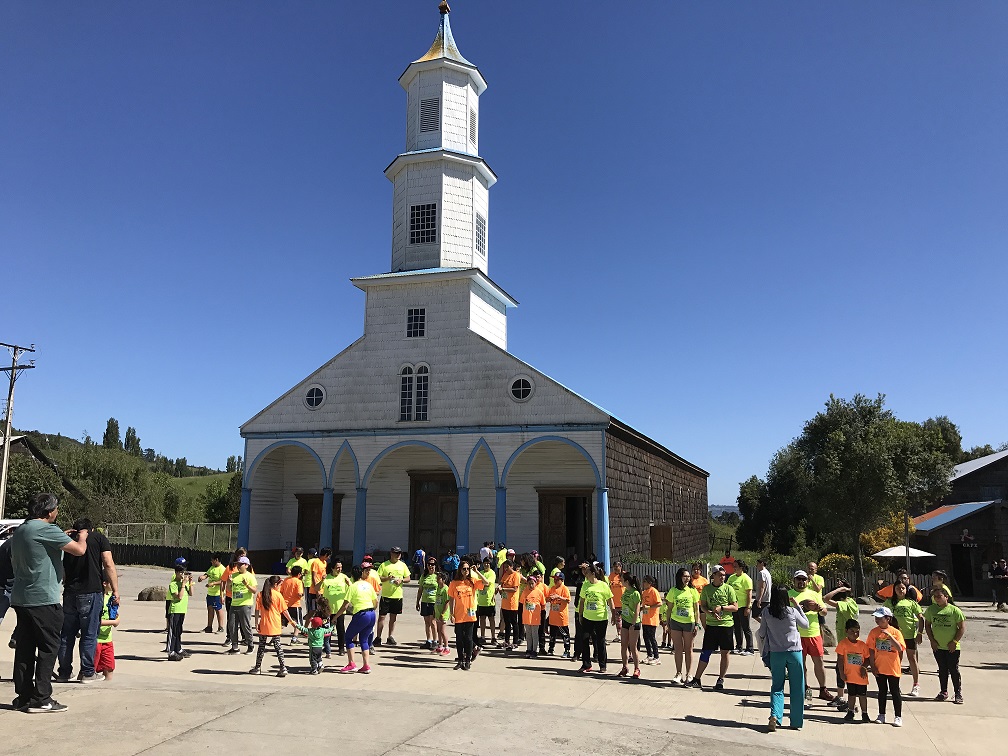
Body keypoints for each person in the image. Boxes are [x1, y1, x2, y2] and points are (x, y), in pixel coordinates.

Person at [57, 517, 117, 684]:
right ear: (91, 530)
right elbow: (108, 563)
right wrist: (116, 590)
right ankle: (87, 672)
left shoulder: (67, 540)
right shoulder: (98, 538)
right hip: (91, 591)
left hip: (70, 592)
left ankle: (64, 672)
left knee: (67, 634)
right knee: (89, 634)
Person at [756, 586, 808, 732]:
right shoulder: (792, 611)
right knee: (797, 687)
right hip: (794, 652)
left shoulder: (767, 612)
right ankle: (796, 720)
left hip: (776, 653)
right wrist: (798, 607)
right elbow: (805, 624)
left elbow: (762, 632)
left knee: (777, 686)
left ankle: (775, 715)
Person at [688, 566, 737, 691]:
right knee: (706, 651)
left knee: (725, 653)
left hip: (726, 625)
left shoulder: (729, 589)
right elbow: (703, 606)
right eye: (720, 575)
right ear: (713, 575)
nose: (722, 577)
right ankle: (697, 679)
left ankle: (721, 679)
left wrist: (722, 608)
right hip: (712, 625)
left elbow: (735, 607)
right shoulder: (707, 589)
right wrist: (709, 612)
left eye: (724, 575)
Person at [788, 570, 832, 703]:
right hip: (796, 635)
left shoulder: (814, 594)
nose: (801, 582)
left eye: (803, 579)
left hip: (813, 633)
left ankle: (823, 689)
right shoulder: (789, 595)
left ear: (807, 581)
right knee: (800, 664)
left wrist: (819, 609)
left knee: (819, 662)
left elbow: (825, 611)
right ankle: (804, 687)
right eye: (798, 579)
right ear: (794, 580)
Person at [334, 565, 379, 674]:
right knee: (364, 639)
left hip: (361, 614)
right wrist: (371, 610)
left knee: (348, 637)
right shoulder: (368, 585)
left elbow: (345, 606)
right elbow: (376, 601)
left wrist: (335, 617)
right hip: (372, 614)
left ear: (352, 576)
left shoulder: (352, 587)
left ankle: (351, 664)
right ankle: (366, 665)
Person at [924, 586, 966, 704]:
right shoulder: (931, 610)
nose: (937, 598)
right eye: (935, 597)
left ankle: (958, 693)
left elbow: (962, 627)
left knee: (953, 669)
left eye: (939, 596)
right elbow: (927, 625)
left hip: (952, 647)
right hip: (938, 646)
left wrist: (954, 642)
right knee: (942, 669)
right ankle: (943, 691)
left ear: (946, 597)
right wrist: (932, 641)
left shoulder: (954, 610)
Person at [823, 580, 860, 710]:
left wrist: (840, 589)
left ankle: (849, 701)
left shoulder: (844, 605)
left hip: (847, 645)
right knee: (841, 671)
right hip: (846, 644)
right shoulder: (852, 602)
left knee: (844, 672)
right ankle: (842, 697)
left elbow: (825, 598)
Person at [868, 606, 906, 726]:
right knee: (882, 691)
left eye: (880, 618)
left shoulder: (896, 632)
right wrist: (872, 665)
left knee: (895, 691)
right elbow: (871, 649)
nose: (877, 620)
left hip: (893, 667)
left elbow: (900, 648)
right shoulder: (874, 632)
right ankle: (881, 714)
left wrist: (890, 636)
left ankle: (898, 716)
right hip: (880, 666)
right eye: (876, 618)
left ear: (888, 619)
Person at [884, 580, 924, 697]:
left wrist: (920, 633)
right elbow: (883, 617)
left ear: (906, 590)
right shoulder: (889, 602)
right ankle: (895, 685)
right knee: (896, 659)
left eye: (903, 588)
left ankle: (916, 685)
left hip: (909, 635)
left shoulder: (911, 603)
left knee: (912, 658)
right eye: (898, 588)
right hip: (895, 636)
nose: (900, 590)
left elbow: (921, 618)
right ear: (894, 590)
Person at [250, 575, 292, 677]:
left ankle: (257, 667)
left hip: (264, 624)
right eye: (280, 585)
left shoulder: (261, 594)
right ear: (275, 585)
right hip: (275, 624)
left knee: (261, 646)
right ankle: (283, 667)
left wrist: (256, 623)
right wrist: (291, 621)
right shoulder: (278, 595)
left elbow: (257, 610)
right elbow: (284, 611)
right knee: (278, 646)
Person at [578, 563, 616, 674]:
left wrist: (613, 614)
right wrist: (580, 615)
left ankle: (602, 665)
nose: (585, 574)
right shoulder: (585, 585)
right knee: (585, 639)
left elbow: (610, 601)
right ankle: (586, 664)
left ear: (593, 573)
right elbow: (582, 601)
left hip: (600, 618)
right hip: (587, 617)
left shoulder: (603, 585)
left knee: (600, 641)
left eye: (587, 572)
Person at [665, 568, 700, 685]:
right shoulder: (673, 591)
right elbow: (669, 608)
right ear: (679, 577)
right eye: (685, 576)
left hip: (689, 622)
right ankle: (678, 673)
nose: (687, 578)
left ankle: (689, 674)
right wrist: (667, 622)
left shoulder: (692, 590)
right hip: (676, 622)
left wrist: (697, 624)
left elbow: (696, 609)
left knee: (688, 649)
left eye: (688, 576)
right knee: (678, 649)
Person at [448, 560, 484, 670]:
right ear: (460, 570)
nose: (466, 571)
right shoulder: (454, 583)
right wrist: (451, 613)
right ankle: (460, 660)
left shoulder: (472, 581)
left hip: (470, 615)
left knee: (468, 638)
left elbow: (486, 582)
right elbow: (451, 598)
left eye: (468, 569)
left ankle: (468, 659)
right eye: (464, 569)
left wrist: (477, 571)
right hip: (459, 614)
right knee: (459, 639)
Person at [835, 619, 872, 723]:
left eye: (857, 631)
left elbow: (868, 658)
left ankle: (865, 713)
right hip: (850, 675)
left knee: (862, 695)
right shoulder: (843, 644)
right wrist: (841, 673)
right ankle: (850, 711)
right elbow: (840, 659)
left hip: (861, 676)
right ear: (846, 631)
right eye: (852, 631)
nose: (855, 634)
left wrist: (864, 667)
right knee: (851, 694)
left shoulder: (862, 645)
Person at [374, 546, 411, 647]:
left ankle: (390, 636)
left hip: (397, 596)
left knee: (393, 617)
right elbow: (378, 577)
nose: (398, 555)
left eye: (399, 553)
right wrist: (387, 578)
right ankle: (378, 637)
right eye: (396, 553)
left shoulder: (402, 565)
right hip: (386, 595)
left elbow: (408, 578)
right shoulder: (384, 565)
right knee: (382, 617)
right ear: (391, 553)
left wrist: (401, 580)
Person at [320, 559, 352, 656]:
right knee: (327, 629)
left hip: (340, 608)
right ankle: (327, 647)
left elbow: (353, 589)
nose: (339, 569)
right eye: (337, 567)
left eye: (341, 567)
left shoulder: (344, 577)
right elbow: (316, 588)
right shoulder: (327, 578)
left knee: (340, 629)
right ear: (332, 568)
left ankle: (341, 648)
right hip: (328, 609)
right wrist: (321, 580)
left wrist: (349, 583)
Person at [226, 556, 257, 655]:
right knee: (232, 625)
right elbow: (229, 589)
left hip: (245, 604)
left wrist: (247, 585)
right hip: (234, 604)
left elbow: (254, 591)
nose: (238, 566)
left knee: (245, 626)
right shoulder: (233, 576)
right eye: (237, 564)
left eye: (241, 564)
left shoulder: (250, 576)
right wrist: (229, 583)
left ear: (246, 565)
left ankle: (250, 645)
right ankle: (235, 647)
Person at [166, 558, 193, 662]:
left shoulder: (184, 584)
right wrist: (183, 584)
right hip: (175, 610)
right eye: (181, 573)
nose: (182, 575)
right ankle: (171, 651)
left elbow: (191, 593)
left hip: (182, 610)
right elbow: (179, 597)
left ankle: (178, 648)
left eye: (184, 573)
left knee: (179, 630)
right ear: (176, 573)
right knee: (173, 631)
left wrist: (190, 582)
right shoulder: (173, 584)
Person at [95, 572, 119, 681]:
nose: (115, 584)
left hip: (108, 640)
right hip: (95, 640)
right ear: (105, 583)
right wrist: (112, 622)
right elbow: (95, 621)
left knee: (109, 668)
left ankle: (106, 688)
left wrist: (116, 619)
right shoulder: (98, 599)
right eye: (112, 582)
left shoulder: (111, 598)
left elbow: (115, 615)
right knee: (92, 668)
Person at [618, 572, 642, 678]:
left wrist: (633, 624)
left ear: (627, 581)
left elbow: (637, 611)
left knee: (633, 646)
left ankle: (637, 668)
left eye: (622, 579)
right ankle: (625, 667)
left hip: (634, 622)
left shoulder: (635, 593)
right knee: (623, 645)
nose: (620, 581)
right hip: (625, 621)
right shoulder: (625, 591)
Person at [727, 560, 754, 655]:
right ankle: (739, 646)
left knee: (746, 627)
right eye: (733, 566)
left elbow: (749, 594)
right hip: (734, 606)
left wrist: (748, 607)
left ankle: (750, 648)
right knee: (737, 627)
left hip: (743, 606)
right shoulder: (731, 577)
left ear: (741, 568)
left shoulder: (746, 579)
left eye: (736, 566)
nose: (734, 568)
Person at [197, 555, 226, 634]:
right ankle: (209, 627)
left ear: (216, 560)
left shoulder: (222, 569)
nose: (211, 562)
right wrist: (202, 577)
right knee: (210, 609)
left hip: (217, 593)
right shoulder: (212, 568)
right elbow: (207, 574)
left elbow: (223, 581)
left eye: (212, 560)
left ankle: (220, 627)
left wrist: (213, 583)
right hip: (210, 593)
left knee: (218, 609)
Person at [546, 569, 572, 657]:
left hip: (561, 616)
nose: (555, 581)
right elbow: (547, 598)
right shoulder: (552, 588)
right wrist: (549, 599)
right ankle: (551, 649)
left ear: (562, 580)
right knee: (552, 635)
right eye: (554, 579)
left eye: (557, 579)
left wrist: (559, 597)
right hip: (553, 616)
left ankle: (567, 650)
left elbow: (568, 600)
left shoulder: (564, 589)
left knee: (564, 634)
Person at [416, 556, 440, 649]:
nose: (431, 566)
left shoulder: (438, 576)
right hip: (425, 601)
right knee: (427, 622)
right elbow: (420, 590)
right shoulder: (424, 576)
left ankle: (435, 641)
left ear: (435, 565)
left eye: (433, 564)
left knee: (433, 622)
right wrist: (417, 601)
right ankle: (428, 640)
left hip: (434, 602)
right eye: (429, 564)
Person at [521, 573, 546, 658]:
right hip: (527, 617)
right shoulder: (525, 591)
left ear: (535, 583)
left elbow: (543, 604)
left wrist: (540, 614)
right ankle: (528, 649)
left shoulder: (539, 592)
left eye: (532, 583)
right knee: (528, 634)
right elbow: (522, 602)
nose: (531, 585)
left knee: (535, 634)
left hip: (535, 617)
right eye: (529, 583)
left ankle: (534, 650)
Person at [279, 566, 305, 644]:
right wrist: (301, 595)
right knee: (298, 623)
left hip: (285, 605)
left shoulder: (286, 580)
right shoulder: (298, 582)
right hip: (295, 605)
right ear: (299, 574)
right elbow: (299, 593)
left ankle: (274, 637)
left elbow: (281, 591)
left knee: (282, 623)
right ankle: (294, 639)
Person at [499, 559, 521, 651]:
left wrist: (503, 589)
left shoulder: (516, 575)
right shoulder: (505, 575)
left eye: (507, 567)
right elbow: (501, 584)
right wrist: (499, 588)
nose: (506, 569)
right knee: (507, 623)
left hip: (512, 604)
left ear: (511, 566)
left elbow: (515, 589)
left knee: (514, 623)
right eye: (505, 567)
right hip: (505, 603)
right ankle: (507, 641)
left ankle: (515, 642)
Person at [640, 575, 661, 665]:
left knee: (652, 638)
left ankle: (657, 657)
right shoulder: (644, 592)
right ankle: (649, 655)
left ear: (650, 583)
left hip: (652, 619)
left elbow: (659, 603)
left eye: (645, 582)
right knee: (646, 638)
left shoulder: (654, 591)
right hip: (645, 618)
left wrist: (650, 607)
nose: (643, 583)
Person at [476, 556, 497, 647]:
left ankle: (493, 637)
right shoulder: (480, 573)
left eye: (488, 563)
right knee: (482, 619)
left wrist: (482, 581)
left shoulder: (492, 573)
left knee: (491, 619)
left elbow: (487, 583)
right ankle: (483, 636)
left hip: (489, 600)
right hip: (481, 600)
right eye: (485, 563)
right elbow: (478, 583)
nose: (486, 565)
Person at [433, 571, 451, 656]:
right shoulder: (438, 588)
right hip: (437, 611)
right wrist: (434, 611)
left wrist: (443, 613)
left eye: (439, 578)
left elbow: (447, 602)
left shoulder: (446, 589)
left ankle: (447, 647)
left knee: (443, 631)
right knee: (438, 630)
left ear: (443, 580)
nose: (437, 579)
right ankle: (440, 646)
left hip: (443, 613)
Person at [608, 561, 624, 642]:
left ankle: (625, 634)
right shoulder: (611, 576)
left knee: (625, 620)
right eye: (614, 567)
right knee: (617, 620)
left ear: (620, 567)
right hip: (615, 603)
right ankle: (619, 634)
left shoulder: (624, 575)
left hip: (624, 603)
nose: (615, 568)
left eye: (617, 567)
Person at [304, 548, 320, 614]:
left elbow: (306, 571)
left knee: (309, 601)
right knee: (316, 600)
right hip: (318, 583)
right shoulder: (319, 561)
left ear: (311, 555)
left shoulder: (310, 561)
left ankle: (309, 614)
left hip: (309, 583)